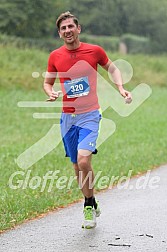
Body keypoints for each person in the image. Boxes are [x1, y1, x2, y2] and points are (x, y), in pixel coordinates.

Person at [43, 11, 132, 229]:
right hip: (67, 118)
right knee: (76, 166)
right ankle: (92, 200)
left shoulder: (94, 51)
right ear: (59, 33)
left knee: (84, 161)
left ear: (78, 29)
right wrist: (51, 92)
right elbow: (47, 82)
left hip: (90, 114)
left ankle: (87, 206)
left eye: (71, 27)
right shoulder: (55, 56)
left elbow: (112, 67)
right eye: (63, 28)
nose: (68, 31)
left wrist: (120, 87)